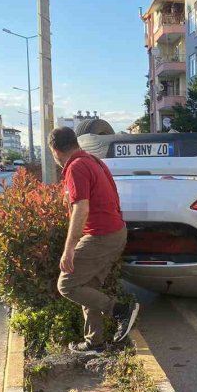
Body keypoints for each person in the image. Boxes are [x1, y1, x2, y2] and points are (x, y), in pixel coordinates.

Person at [52, 127, 138, 352]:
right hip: (114, 232)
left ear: (55, 150)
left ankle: (120, 310)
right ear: (75, 142)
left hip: (101, 235)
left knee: (67, 285)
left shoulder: (76, 167)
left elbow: (81, 208)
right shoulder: (93, 161)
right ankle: (95, 342)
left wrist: (69, 249)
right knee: (87, 286)